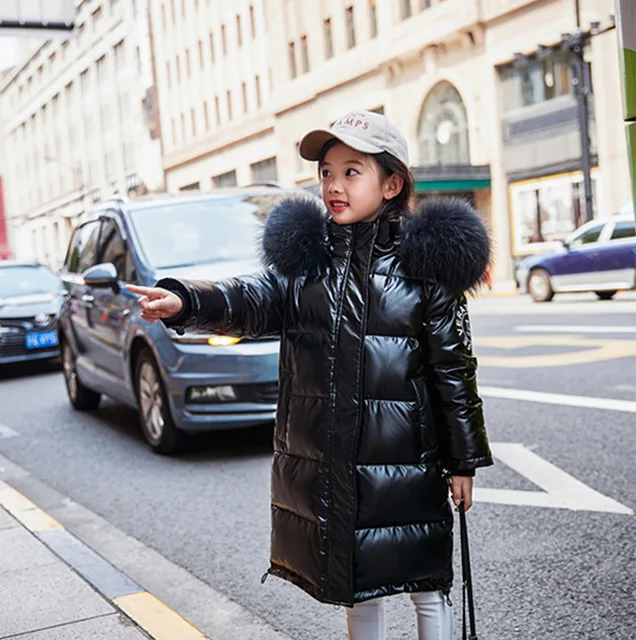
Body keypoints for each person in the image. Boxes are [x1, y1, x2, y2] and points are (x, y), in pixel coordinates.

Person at [126, 110, 493, 640]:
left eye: (351, 171)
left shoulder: (426, 272)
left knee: (426, 583)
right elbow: (246, 298)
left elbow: (454, 374)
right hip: (336, 464)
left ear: (391, 183)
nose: (334, 186)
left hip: (411, 462)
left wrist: (463, 462)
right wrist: (185, 300)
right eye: (326, 172)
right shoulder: (306, 269)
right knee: (354, 582)